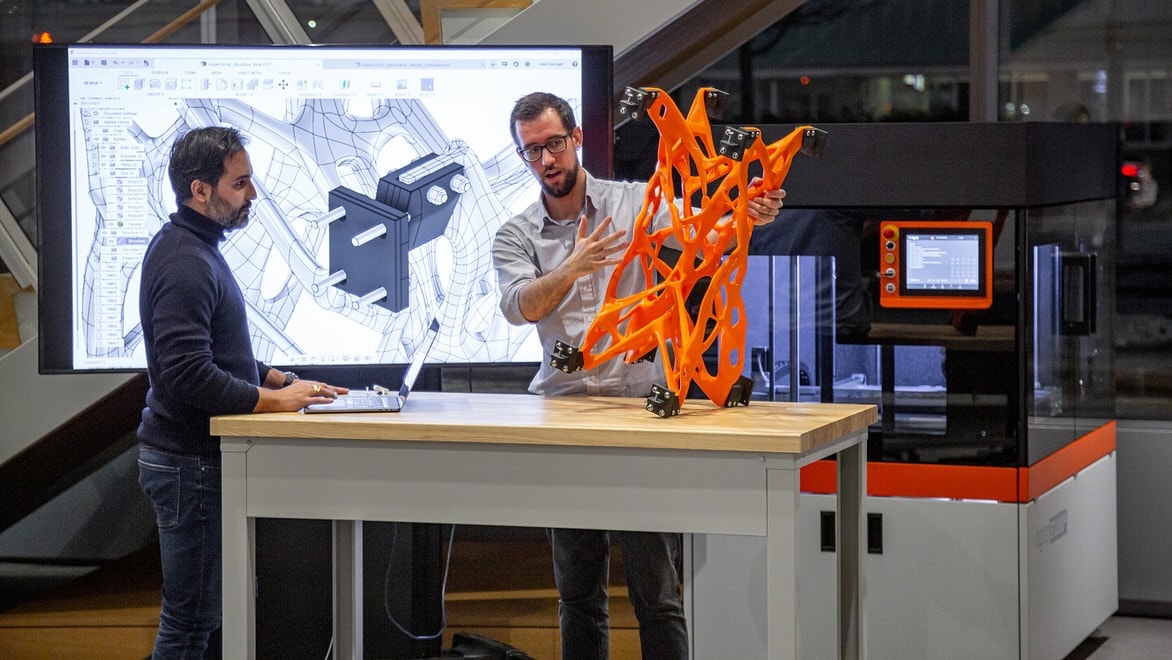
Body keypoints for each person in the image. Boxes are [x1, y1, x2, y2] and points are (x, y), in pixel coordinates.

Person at [492, 92, 784, 659]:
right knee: (577, 594)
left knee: (658, 594)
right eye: (532, 151)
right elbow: (518, 305)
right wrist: (573, 266)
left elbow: (706, 233)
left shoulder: (633, 204)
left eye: (554, 143)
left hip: (637, 410)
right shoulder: (516, 233)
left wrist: (748, 215)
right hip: (565, 415)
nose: (547, 159)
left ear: (577, 139)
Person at [136, 126, 347, 658]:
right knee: (190, 623)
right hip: (190, 464)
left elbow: (219, 353)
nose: (252, 194)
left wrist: (283, 381)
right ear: (200, 190)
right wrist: (273, 402)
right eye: (241, 182)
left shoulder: (194, 246)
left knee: (205, 619)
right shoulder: (186, 261)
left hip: (195, 463)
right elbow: (187, 373)